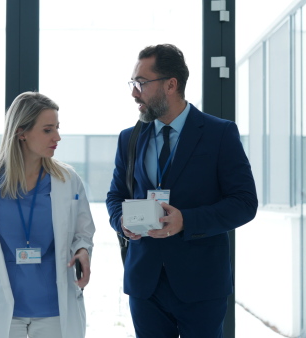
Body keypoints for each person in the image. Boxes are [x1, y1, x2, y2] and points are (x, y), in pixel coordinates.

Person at [106, 44, 258, 337]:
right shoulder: (129, 139)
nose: (134, 93)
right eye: (133, 83)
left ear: (171, 85)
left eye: (141, 83)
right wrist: (121, 222)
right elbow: (115, 196)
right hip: (144, 284)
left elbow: (244, 202)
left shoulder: (219, 134)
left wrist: (186, 220)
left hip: (201, 284)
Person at [0, 91, 95, 338]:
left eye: (57, 128)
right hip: (4, 308)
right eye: (48, 130)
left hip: (54, 308)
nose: (58, 137)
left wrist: (82, 251)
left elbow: (84, 231)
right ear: (22, 132)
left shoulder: (68, 180)